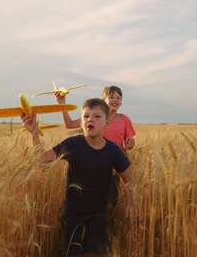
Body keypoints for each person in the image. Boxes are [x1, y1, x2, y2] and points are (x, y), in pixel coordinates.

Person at [21, 98, 134, 257]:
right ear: (81, 122)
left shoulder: (113, 151)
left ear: (107, 124)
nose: (90, 120)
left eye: (97, 116)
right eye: (86, 116)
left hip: (99, 214)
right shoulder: (73, 144)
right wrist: (34, 132)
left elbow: (129, 179)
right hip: (73, 214)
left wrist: (130, 203)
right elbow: (42, 158)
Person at [55, 85, 136, 151]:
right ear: (104, 100)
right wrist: (62, 103)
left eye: (118, 98)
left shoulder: (124, 119)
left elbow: (128, 145)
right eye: (111, 97)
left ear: (121, 102)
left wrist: (130, 144)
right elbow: (69, 124)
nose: (115, 100)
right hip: (94, 159)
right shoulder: (94, 117)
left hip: (116, 162)